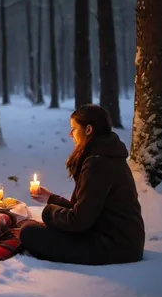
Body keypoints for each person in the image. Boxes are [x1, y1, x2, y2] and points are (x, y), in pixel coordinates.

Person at [20, 104, 145, 265]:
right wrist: (51, 198)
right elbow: (84, 210)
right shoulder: (105, 156)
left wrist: (48, 212)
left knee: (29, 232)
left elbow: (79, 221)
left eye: (73, 128)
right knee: (37, 229)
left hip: (114, 246)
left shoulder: (98, 164)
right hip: (122, 241)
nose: (70, 134)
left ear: (88, 130)